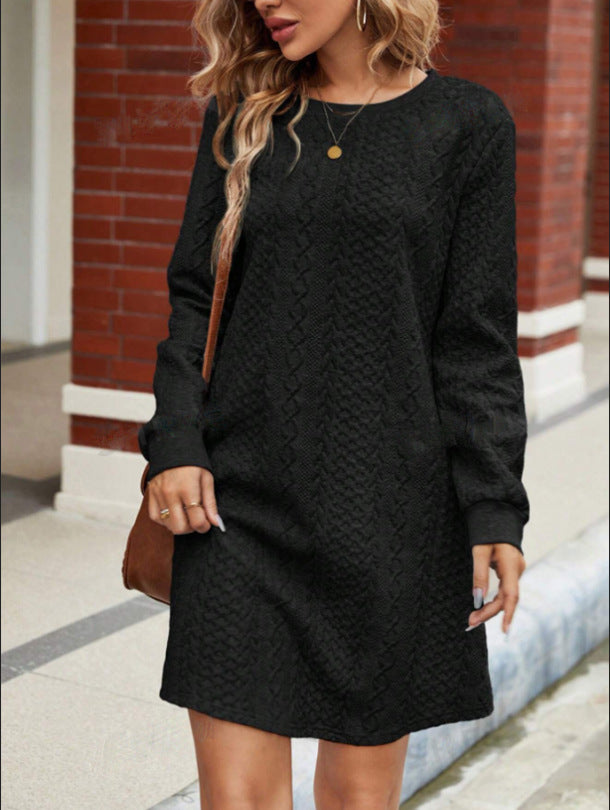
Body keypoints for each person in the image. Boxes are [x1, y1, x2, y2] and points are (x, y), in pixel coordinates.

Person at [137, 0, 530, 806]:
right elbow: (194, 295)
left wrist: (494, 506)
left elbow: (475, 339)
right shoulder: (244, 113)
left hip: (390, 517)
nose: (266, 3)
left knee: (357, 799)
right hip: (237, 508)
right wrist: (175, 440)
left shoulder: (467, 124)